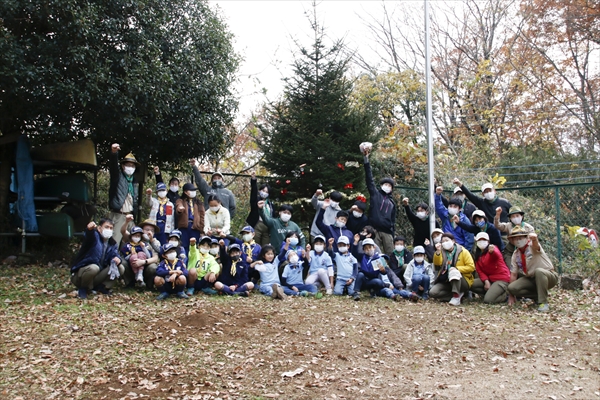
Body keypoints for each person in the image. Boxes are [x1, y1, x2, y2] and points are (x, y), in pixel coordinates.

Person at [506, 227, 558, 312]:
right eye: (515, 239)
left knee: (539, 271)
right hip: (531, 278)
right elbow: (513, 274)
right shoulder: (516, 254)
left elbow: (536, 246)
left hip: (548, 275)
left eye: (520, 238)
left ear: (526, 238)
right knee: (512, 287)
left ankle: (543, 303)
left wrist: (534, 239)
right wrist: (511, 295)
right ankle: (536, 296)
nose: (518, 241)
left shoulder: (531, 246)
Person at [70, 219, 124, 299]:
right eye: (106, 227)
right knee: (94, 268)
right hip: (82, 274)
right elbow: (89, 236)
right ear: (99, 228)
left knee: (120, 268)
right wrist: (89, 229)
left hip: (98, 275)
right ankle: (83, 288)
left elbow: (114, 254)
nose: (108, 230)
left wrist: (117, 259)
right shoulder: (94, 237)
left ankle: (101, 287)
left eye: (111, 228)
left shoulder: (112, 243)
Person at [362, 146, 397, 254]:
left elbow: (393, 220)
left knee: (390, 254)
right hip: (374, 229)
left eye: (389, 185)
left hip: (387, 231)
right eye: (385, 184)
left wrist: (392, 232)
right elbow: (369, 179)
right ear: (381, 185)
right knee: (375, 254)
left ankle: (392, 271)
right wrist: (366, 160)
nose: (387, 186)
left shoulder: (392, 203)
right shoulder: (375, 194)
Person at [430, 233, 475, 306]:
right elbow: (437, 264)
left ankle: (456, 297)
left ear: (453, 241)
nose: (445, 243)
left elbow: (471, 267)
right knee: (433, 292)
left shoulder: (463, 251)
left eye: (447, 240)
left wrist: (457, 269)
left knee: (453, 271)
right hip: (446, 280)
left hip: (462, 280)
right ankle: (457, 295)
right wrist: (438, 252)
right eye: (443, 241)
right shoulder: (442, 251)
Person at [107, 143, 139, 245]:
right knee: (114, 243)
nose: (130, 167)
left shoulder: (134, 181)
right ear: (123, 165)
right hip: (119, 215)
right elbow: (113, 167)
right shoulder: (118, 177)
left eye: (132, 165)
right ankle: (109, 261)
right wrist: (114, 153)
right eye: (128, 165)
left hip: (130, 216)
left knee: (133, 243)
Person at [121, 217, 162, 289]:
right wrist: (126, 222)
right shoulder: (135, 236)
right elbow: (123, 231)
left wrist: (143, 262)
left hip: (145, 265)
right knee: (122, 262)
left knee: (153, 267)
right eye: (147, 230)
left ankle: (148, 284)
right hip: (131, 263)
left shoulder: (155, 242)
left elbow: (155, 258)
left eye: (152, 231)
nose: (149, 232)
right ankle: (130, 283)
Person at [470, 232, 510, 304]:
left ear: (488, 241)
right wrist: (486, 281)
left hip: (501, 279)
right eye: (479, 240)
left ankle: (506, 295)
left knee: (488, 300)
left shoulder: (492, 249)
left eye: (484, 240)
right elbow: (480, 271)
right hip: (490, 279)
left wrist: (492, 251)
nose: (481, 242)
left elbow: (496, 255)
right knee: (470, 284)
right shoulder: (478, 255)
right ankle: (491, 293)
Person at [175, 182, 205, 253]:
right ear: (185, 192)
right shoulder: (181, 200)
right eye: (191, 190)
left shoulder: (198, 203)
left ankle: (194, 263)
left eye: (194, 190)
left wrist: (202, 230)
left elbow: (202, 216)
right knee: (184, 246)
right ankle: (185, 261)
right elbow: (178, 206)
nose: (193, 192)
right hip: (184, 227)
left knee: (194, 246)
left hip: (195, 227)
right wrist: (180, 208)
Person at [246, 172, 274, 246]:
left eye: (266, 192)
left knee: (266, 246)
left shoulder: (270, 204)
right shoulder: (256, 200)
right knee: (255, 244)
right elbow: (253, 192)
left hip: (267, 226)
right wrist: (253, 180)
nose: (264, 193)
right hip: (256, 224)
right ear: (260, 190)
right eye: (263, 191)